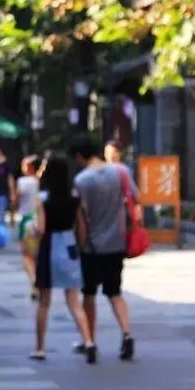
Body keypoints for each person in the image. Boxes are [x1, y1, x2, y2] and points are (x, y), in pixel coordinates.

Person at [69, 134, 134, 363]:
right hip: (117, 242)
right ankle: (127, 333)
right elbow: (133, 199)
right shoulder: (119, 173)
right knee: (115, 292)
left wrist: (80, 244)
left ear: (80, 156)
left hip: (92, 246)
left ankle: (90, 340)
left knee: (89, 294)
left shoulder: (81, 180)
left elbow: (82, 218)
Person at [30, 154, 92, 360]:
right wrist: (80, 247)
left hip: (49, 246)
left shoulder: (42, 199)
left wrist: (32, 230)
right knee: (74, 301)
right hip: (69, 245)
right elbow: (82, 228)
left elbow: (40, 228)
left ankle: (40, 348)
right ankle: (88, 341)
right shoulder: (75, 199)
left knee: (44, 301)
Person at [16, 156, 42, 298]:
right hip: (40, 220)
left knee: (27, 256)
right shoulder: (41, 181)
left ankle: (33, 281)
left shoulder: (23, 181)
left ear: (30, 167)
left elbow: (16, 198)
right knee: (37, 255)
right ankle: (37, 284)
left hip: (26, 220)